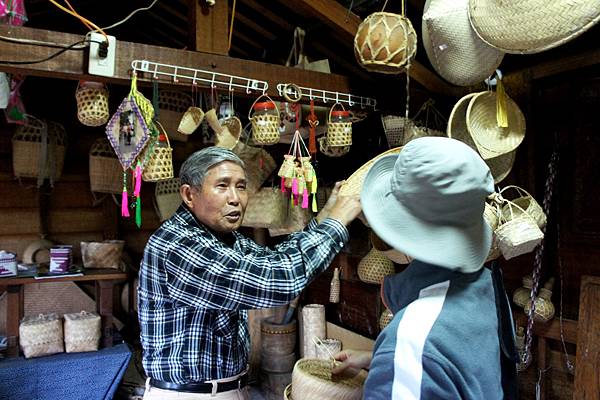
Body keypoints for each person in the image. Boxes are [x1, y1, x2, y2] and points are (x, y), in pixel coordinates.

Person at [138, 146, 361, 399]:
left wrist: (324, 218)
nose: (235, 198)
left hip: (230, 389)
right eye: (222, 186)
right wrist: (337, 223)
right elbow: (279, 280)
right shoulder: (178, 245)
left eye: (241, 186)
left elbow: (276, 260)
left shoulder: (228, 240)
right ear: (190, 195)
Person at [333, 137, 518, 399]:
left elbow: (422, 349)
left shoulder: (411, 340)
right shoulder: (486, 284)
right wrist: (379, 357)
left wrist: (398, 357)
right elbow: (459, 367)